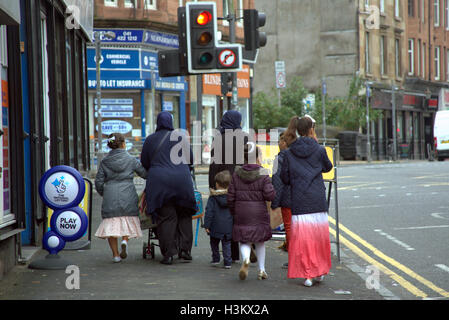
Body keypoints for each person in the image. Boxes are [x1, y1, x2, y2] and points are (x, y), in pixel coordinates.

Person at [281, 116, 333, 287]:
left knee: (303, 240)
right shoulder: (319, 150)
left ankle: (307, 275)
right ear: (311, 129)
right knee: (319, 238)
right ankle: (319, 272)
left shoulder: (289, 152)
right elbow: (328, 167)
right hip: (317, 199)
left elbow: (285, 177)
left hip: (300, 200)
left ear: (297, 130)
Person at [140, 111, 197, 265]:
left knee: (166, 217)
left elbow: (144, 163)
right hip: (182, 181)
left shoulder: (150, 140)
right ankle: (185, 250)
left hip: (160, 183)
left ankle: (169, 254)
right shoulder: (180, 137)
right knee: (184, 215)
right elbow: (191, 160)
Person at [95, 133, 147, 263]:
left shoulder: (104, 162)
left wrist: (104, 193)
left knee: (111, 225)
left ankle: (116, 255)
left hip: (110, 194)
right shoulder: (131, 159)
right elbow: (144, 173)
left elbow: (98, 182)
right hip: (128, 193)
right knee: (127, 220)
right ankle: (125, 240)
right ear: (124, 144)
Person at [208, 110, 251, 263]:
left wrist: (213, 186)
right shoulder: (246, 138)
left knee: (227, 218)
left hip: (225, 184)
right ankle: (245, 249)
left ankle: (229, 254)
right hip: (244, 184)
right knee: (242, 219)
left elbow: (214, 166)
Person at [227, 145, 276, 280]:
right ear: (258, 157)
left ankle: (246, 259)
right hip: (259, 213)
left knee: (244, 240)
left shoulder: (236, 173)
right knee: (260, 241)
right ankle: (262, 270)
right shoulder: (263, 172)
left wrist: (233, 211)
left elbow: (230, 197)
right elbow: (269, 195)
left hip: (241, 212)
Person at [204, 170, 233, 269]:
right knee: (227, 244)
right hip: (228, 226)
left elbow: (209, 212)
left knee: (214, 243)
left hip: (215, 226)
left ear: (217, 184)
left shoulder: (213, 198)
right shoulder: (231, 197)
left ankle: (216, 259)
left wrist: (207, 225)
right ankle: (228, 262)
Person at [270, 132, 292, 268]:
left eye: (280, 141)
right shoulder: (297, 156)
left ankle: (293, 258)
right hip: (302, 199)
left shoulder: (280, 158)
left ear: (285, 143)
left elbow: (277, 182)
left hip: (287, 199)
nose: (278, 143)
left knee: (289, 228)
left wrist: (274, 203)